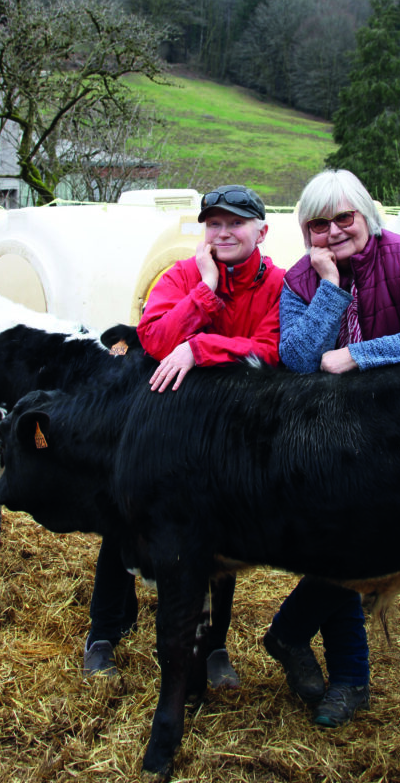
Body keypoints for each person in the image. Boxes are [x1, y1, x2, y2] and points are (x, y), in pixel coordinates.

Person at [262, 169, 400, 728]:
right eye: (317, 224)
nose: (332, 231)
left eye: (343, 218)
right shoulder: (300, 280)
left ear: (366, 217)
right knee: (338, 546)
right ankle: (349, 679)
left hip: (397, 432)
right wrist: (329, 289)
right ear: (305, 232)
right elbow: (296, 359)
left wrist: (357, 356)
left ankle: (290, 632)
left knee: (364, 548)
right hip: (326, 439)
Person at [84, 184, 286, 687]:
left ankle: (214, 644)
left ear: (262, 230)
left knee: (220, 532)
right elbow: (152, 339)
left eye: (235, 223)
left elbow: (272, 348)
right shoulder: (180, 274)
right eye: (213, 224)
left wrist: (200, 348)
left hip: (229, 429)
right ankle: (104, 632)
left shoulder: (279, 284)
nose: (223, 233)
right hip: (163, 419)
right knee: (127, 517)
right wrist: (205, 288)